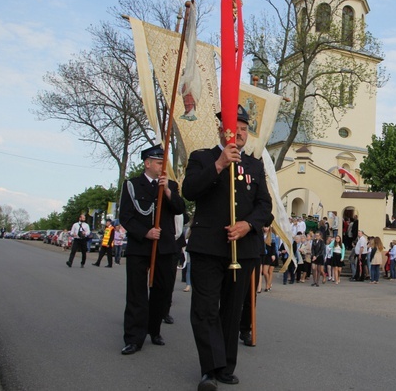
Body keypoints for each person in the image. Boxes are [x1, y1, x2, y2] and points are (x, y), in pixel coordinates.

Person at [182, 106, 272, 390]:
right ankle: (210, 368)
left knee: (232, 312)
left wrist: (248, 225)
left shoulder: (255, 165)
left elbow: (265, 206)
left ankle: (225, 366)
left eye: (246, 129)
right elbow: (189, 190)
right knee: (205, 309)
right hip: (208, 247)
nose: (242, 134)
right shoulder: (203, 158)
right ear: (223, 131)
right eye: (237, 129)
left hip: (243, 249)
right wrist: (219, 164)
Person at [119, 144, 186, 356]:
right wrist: (145, 233)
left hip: (164, 247)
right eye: (158, 163)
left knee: (162, 291)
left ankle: (154, 329)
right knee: (136, 294)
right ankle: (133, 337)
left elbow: (180, 209)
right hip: (140, 246)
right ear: (147, 163)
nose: (162, 166)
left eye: (163, 162)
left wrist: (166, 191)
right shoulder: (132, 185)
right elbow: (126, 217)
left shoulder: (171, 186)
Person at [260, 224, 278, 292]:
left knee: (266, 272)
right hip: (263, 254)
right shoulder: (261, 234)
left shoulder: (272, 235)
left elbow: (273, 246)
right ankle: (268, 283)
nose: (266, 228)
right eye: (265, 227)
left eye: (267, 227)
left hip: (269, 255)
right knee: (264, 272)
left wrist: (273, 254)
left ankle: (268, 285)